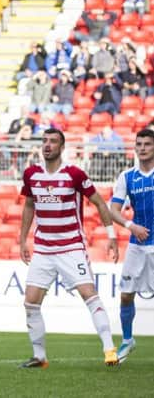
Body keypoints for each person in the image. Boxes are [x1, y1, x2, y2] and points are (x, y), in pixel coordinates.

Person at [19, 128, 119, 369]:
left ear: (62, 148)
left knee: (89, 294)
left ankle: (109, 349)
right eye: (44, 141)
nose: (47, 145)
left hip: (71, 247)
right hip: (43, 249)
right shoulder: (31, 174)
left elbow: (98, 202)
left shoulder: (74, 173)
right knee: (30, 302)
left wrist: (111, 235)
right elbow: (29, 206)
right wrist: (23, 240)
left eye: (53, 141)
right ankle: (40, 357)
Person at [109, 128, 154, 364]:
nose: (143, 148)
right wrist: (131, 226)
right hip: (137, 244)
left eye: (147, 144)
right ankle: (128, 340)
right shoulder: (127, 177)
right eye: (139, 144)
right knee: (126, 295)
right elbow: (113, 210)